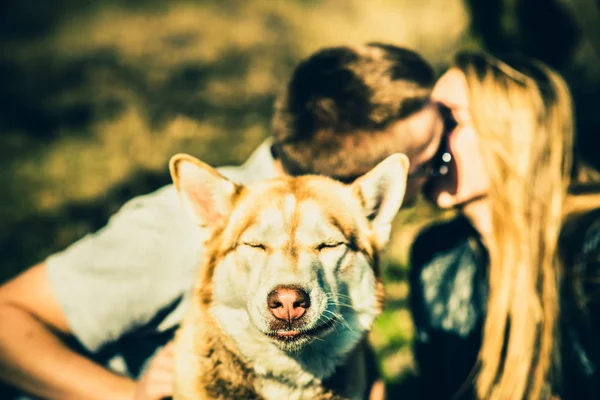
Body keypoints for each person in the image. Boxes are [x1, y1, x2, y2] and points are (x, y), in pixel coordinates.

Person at [0, 43, 444, 400]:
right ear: (356, 178)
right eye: (428, 158)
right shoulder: (176, 226)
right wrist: (125, 393)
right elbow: (5, 320)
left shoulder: (343, 237)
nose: (435, 172)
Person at [409, 50, 600, 400]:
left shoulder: (592, 248)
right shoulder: (435, 257)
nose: (427, 140)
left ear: (514, 132)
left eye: (448, 121)